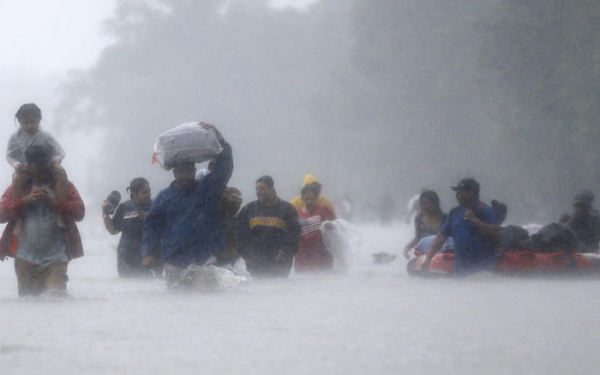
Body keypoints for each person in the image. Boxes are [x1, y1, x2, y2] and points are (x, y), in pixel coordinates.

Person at [141, 123, 233, 289]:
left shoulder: (206, 190)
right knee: (176, 305)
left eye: (187, 171)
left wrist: (221, 139)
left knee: (208, 301)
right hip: (174, 261)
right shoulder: (164, 197)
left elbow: (224, 169)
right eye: (180, 172)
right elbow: (151, 227)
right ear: (174, 173)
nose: (184, 175)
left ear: (194, 170)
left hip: (205, 258)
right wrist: (148, 252)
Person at [0, 144, 85, 296]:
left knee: (56, 300)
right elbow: (1, 214)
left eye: (46, 165)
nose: (42, 170)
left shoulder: (64, 186)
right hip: (25, 257)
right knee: (28, 305)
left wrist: (55, 203)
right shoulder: (19, 187)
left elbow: (80, 212)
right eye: (38, 166)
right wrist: (24, 200)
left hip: (56, 258)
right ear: (30, 166)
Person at [7, 103, 68, 228]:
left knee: (61, 173)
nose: (29, 126)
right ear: (19, 121)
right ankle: (19, 218)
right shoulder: (15, 137)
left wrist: (56, 161)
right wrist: (16, 165)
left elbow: (61, 152)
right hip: (26, 169)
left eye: (33, 122)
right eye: (25, 122)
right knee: (17, 178)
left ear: (39, 120)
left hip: (46, 168)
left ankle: (60, 212)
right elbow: (9, 156)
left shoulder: (45, 136)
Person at [423, 178, 498, 277]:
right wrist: (429, 258)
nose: (456, 195)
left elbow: (495, 233)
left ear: (470, 193)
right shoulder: (455, 212)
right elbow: (441, 236)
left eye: (460, 192)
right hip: (460, 272)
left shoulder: (484, 210)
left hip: (483, 271)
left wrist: (475, 221)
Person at [237, 175, 301, 277]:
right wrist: (247, 256)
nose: (258, 192)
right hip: (255, 265)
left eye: (262, 189)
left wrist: (283, 252)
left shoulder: (287, 210)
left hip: (279, 266)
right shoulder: (249, 209)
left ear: (271, 189)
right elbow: (240, 235)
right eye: (257, 189)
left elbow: (294, 236)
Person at [102, 178, 159, 278]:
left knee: (151, 287)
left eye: (149, 191)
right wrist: (105, 214)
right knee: (128, 288)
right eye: (144, 192)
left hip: (150, 256)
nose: (149, 194)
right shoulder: (124, 207)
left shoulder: (155, 206)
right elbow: (113, 230)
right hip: (126, 256)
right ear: (134, 194)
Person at [294, 183, 337, 272]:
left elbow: (336, 226)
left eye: (312, 198)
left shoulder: (323, 210)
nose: (309, 201)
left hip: (321, 255)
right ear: (302, 199)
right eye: (306, 199)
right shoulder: (296, 214)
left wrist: (329, 226)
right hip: (302, 257)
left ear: (317, 199)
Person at [403, 190, 447, 259]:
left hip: (442, 252)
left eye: (426, 203)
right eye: (422, 204)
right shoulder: (419, 219)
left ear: (435, 203)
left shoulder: (445, 218)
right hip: (424, 253)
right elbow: (417, 238)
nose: (424, 206)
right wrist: (407, 248)